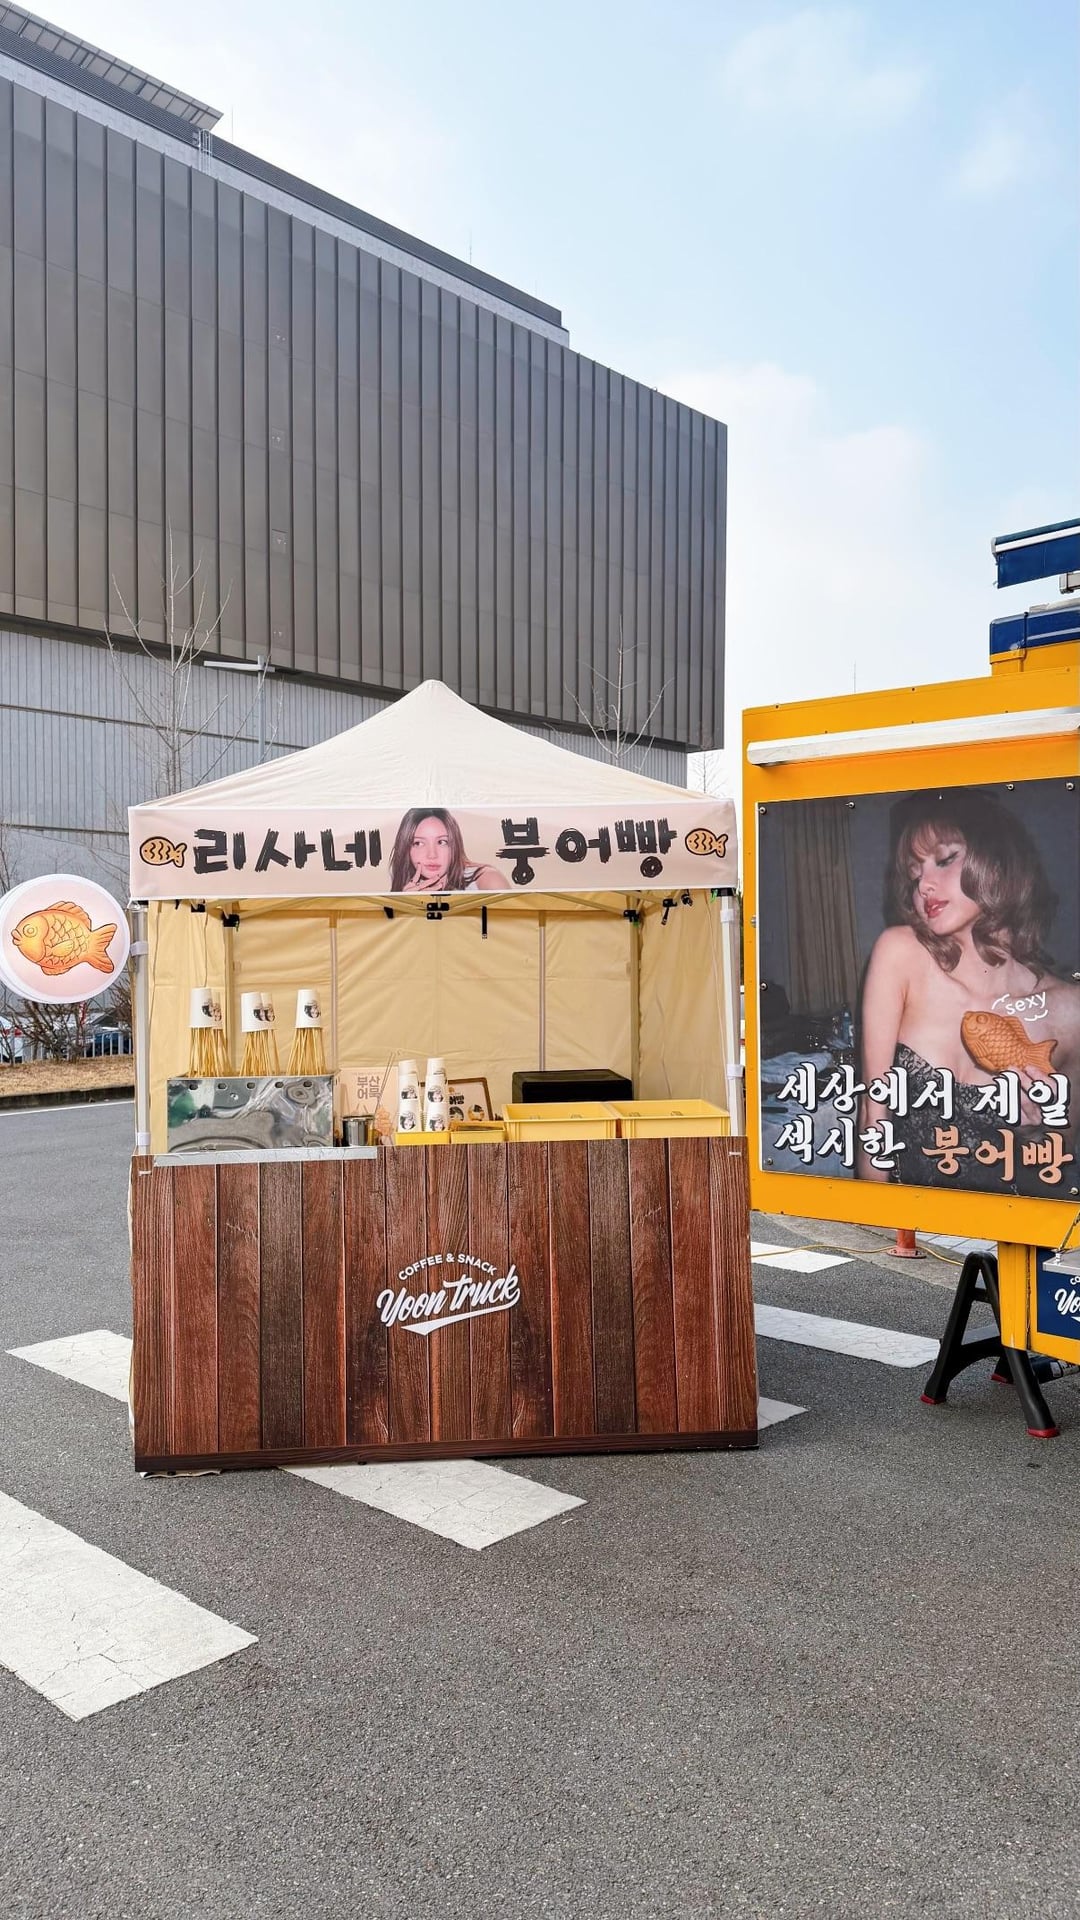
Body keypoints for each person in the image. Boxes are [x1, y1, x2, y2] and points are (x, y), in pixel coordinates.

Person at [857, 789, 1080, 1186]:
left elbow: (1058, 1164)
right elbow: (873, 1115)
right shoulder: (900, 954)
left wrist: (1035, 1132)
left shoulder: (1069, 1011)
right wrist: (881, 1220)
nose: (924, 885)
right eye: (915, 873)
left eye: (945, 859)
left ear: (999, 860)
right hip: (905, 1217)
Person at [388, 808, 509, 892]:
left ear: (454, 845)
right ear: (406, 849)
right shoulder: (404, 882)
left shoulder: (488, 881)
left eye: (442, 842)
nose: (432, 855)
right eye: (418, 843)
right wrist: (406, 908)